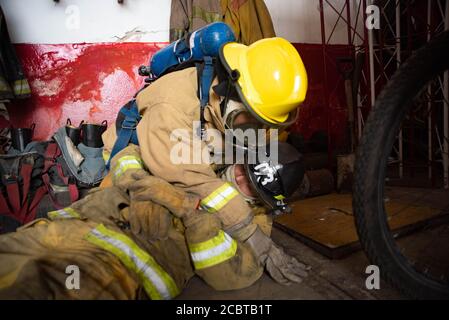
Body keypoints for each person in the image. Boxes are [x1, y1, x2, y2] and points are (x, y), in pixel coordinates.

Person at [102, 36, 309, 287]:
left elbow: (244, 151)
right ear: (227, 93)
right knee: (158, 217)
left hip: (189, 151)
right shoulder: (173, 105)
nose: (255, 132)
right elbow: (192, 179)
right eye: (249, 121)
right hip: (147, 155)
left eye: (261, 124)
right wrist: (251, 234)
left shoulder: (240, 109)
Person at [0, 143, 308, 299]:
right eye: (243, 167)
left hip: (114, 264)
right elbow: (129, 152)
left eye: (248, 184)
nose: (237, 176)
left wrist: (186, 210)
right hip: (69, 226)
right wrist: (141, 184)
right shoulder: (200, 159)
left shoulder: (253, 229)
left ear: (260, 200)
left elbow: (227, 274)